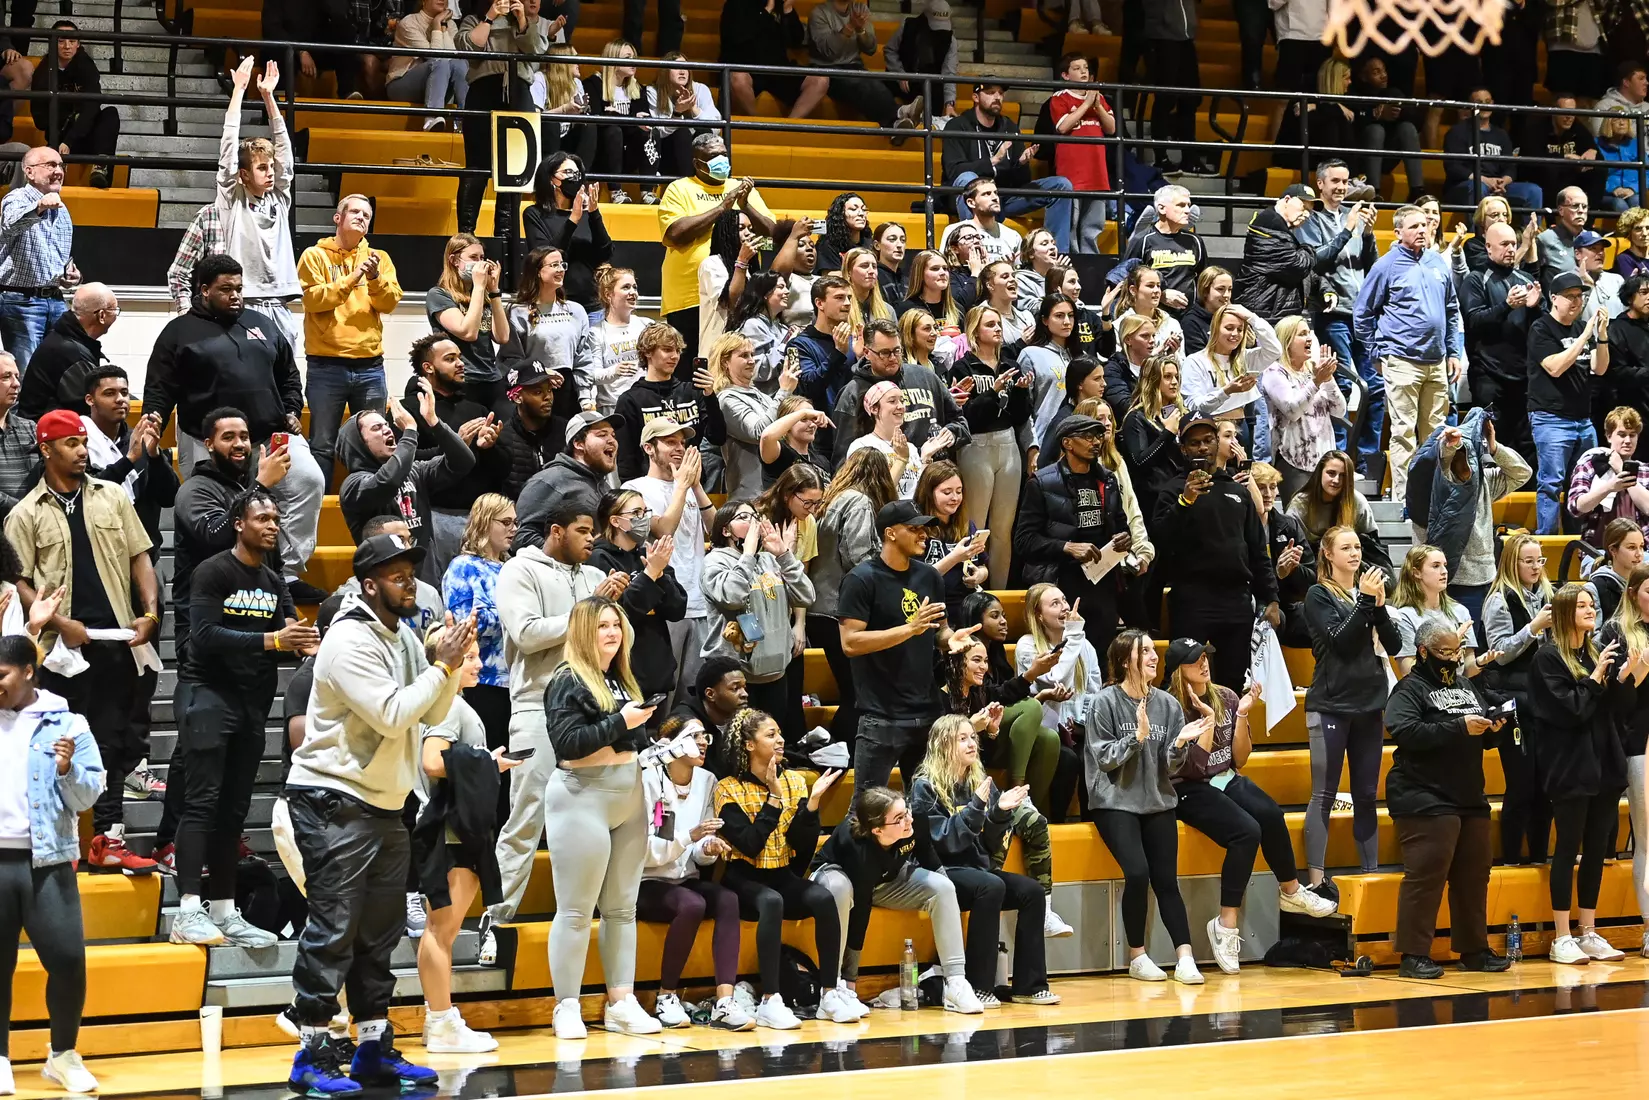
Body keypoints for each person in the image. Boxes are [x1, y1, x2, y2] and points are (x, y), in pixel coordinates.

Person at [280, 532, 474, 1095]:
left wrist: (448, 666)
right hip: (333, 799)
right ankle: (311, 1055)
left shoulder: (403, 635)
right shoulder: (348, 641)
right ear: (369, 584)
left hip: (386, 802)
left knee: (379, 933)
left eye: (411, 573)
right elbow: (393, 715)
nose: (408, 582)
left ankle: (372, 1048)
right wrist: (440, 669)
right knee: (334, 928)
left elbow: (434, 707)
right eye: (396, 575)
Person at [5, 409, 158, 873]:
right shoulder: (24, 513)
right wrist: (59, 622)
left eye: (82, 441)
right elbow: (19, 580)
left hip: (114, 639)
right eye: (70, 443)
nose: (81, 449)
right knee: (54, 745)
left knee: (110, 743)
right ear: (46, 449)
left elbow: (141, 559)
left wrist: (149, 612)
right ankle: (59, 841)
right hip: (56, 650)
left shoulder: (112, 495)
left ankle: (108, 839)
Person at [167, 486, 311, 949]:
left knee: (234, 810)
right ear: (238, 524)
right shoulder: (212, 571)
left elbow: (292, 634)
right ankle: (187, 910)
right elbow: (203, 636)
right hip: (207, 695)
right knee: (202, 803)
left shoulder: (273, 581)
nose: (272, 525)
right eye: (263, 518)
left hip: (252, 704)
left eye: (275, 518)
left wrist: (313, 643)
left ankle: (225, 911)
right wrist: (271, 642)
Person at [146, 254, 324, 599]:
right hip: (206, 440)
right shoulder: (178, 332)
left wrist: (291, 408)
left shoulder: (261, 323)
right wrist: (155, 416)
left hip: (269, 434)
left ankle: (284, 572)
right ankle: (222, 579)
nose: (236, 295)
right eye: (226, 289)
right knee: (217, 517)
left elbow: (288, 373)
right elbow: (160, 385)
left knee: (309, 479)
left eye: (240, 288)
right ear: (203, 290)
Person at [1163, 639, 1336, 972]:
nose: (1203, 664)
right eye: (1193, 660)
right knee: (1246, 831)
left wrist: (1241, 715)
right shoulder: (1170, 707)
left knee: (1271, 814)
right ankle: (1225, 924)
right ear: (1177, 671)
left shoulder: (1226, 696)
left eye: (1204, 657)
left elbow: (1239, 758)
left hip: (1224, 777)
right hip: (1187, 787)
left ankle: (1291, 890)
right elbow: (1193, 768)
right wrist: (1209, 722)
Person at [537, 595, 665, 1038]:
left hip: (628, 796)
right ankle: (566, 1005)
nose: (611, 633)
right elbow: (568, 742)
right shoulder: (566, 679)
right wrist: (622, 724)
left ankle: (621, 1002)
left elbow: (630, 735)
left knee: (622, 909)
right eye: (601, 626)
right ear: (582, 632)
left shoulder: (622, 678)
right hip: (581, 797)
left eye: (615, 625)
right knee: (575, 910)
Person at [488, 500, 610, 929]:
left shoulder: (596, 577)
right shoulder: (519, 571)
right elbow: (526, 634)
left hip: (590, 711)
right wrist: (588, 611)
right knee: (524, 821)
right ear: (556, 531)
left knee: (594, 822)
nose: (591, 537)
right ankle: (496, 921)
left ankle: (588, 921)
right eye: (582, 529)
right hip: (535, 706)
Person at [0, 632, 103, 1095]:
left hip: (48, 860)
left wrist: (67, 771)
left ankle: (62, 1056)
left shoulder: (69, 723)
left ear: (26, 671)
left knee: (67, 960)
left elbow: (88, 795)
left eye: (1, 674)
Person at [1384, 612, 1513, 978]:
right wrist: (1458, 726)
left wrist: (1495, 727)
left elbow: (1481, 736)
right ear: (1423, 651)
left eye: (1457, 652)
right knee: (1426, 873)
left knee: (1475, 873)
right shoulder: (1408, 690)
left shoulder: (1464, 686)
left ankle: (1474, 949)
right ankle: (1413, 955)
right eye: (1444, 652)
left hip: (1468, 793)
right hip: (1422, 793)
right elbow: (1406, 730)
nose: (1454, 659)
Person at [908, 726, 1061, 1004]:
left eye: (973, 738)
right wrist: (976, 806)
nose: (971, 744)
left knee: (1032, 891)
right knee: (989, 886)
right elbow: (943, 842)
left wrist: (1000, 813)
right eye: (962, 738)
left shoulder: (978, 780)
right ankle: (980, 986)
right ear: (943, 745)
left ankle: (1028, 986)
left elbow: (990, 844)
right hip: (940, 872)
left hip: (975, 868)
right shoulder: (925, 786)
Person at [411, 623, 510, 1054]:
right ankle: (439, 1021)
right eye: (469, 657)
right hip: (451, 831)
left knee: (442, 930)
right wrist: (484, 764)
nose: (479, 663)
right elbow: (434, 762)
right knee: (440, 931)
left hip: (456, 828)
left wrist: (488, 763)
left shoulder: (449, 702)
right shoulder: (447, 703)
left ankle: (440, 1021)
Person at [712, 708, 845, 1027]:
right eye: (770, 735)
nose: (781, 739)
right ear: (748, 745)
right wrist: (773, 798)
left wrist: (812, 807)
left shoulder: (795, 781)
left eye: (780, 733)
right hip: (742, 878)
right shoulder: (727, 788)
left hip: (781, 873)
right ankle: (770, 1000)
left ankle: (829, 994)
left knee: (823, 898)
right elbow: (749, 844)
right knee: (771, 901)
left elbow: (800, 844)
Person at [1085, 629, 1203, 983]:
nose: (1154, 656)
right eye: (1146, 651)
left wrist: (1181, 744)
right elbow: (1103, 758)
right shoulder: (1104, 702)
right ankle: (1137, 956)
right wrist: (1135, 739)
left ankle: (1185, 957)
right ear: (1126, 661)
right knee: (1137, 873)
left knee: (1167, 879)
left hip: (1157, 800)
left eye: (1154, 650)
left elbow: (1171, 767)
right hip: (1114, 801)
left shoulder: (1167, 705)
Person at [809, 783, 982, 1014]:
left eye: (907, 812)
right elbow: (861, 907)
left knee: (943, 888)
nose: (908, 820)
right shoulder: (857, 847)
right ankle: (836, 987)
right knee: (840, 888)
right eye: (899, 818)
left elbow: (927, 853)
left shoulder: (913, 819)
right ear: (877, 830)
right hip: (839, 875)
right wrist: (852, 978)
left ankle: (956, 983)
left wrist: (948, 891)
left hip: (886, 878)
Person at [1529, 583, 1629, 966]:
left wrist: (1621, 677)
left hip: (1603, 762)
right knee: (1568, 848)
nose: (1591, 610)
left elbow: (1611, 710)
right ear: (1565, 611)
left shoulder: (1592, 651)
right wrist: (1596, 677)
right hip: (1569, 765)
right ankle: (1562, 936)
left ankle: (1588, 931)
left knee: (1596, 851)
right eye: (1583, 605)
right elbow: (1570, 710)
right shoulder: (1548, 659)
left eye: (1593, 604)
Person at [637, 715, 753, 1030]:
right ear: (671, 745)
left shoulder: (706, 781)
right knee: (692, 904)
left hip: (683, 878)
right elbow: (648, 853)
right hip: (645, 882)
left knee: (727, 899)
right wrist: (691, 835)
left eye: (705, 736)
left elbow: (697, 857)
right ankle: (665, 997)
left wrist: (709, 847)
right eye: (694, 735)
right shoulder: (649, 781)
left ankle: (725, 1003)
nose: (703, 741)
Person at [1302, 524, 1398, 888]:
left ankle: (1369, 875)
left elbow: (1393, 642)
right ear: (1328, 554)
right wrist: (1365, 603)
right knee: (1324, 793)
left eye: (1358, 546)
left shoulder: (1367, 595)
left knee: (1367, 795)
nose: (1356, 553)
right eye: (1346, 547)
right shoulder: (1318, 594)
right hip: (1330, 704)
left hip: (1370, 704)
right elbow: (1341, 642)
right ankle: (1315, 880)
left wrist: (1379, 606)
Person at [840, 500, 960, 789]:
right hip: (882, 716)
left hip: (928, 712)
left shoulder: (929, 576)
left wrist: (951, 639)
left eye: (925, 529)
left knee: (930, 806)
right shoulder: (861, 579)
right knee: (866, 810)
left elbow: (939, 632)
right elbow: (850, 643)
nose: (924, 535)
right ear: (891, 533)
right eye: (914, 529)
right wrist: (910, 628)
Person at [1152, 416, 1278, 690]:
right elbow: (1161, 539)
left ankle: (1229, 733)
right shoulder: (1172, 490)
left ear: (1217, 444)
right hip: (1192, 597)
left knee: (1233, 680)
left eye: (1208, 441)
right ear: (1183, 449)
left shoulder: (1237, 491)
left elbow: (1257, 548)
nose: (1202, 448)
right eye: (1194, 443)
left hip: (1236, 599)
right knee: (1181, 679)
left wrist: (1270, 597)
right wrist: (1185, 501)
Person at [1352, 206, 1463, 504]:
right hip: (1401, 359)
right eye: (1414, 226)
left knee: (1436, 435)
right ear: (1398, 232)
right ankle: (1404, 499)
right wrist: (1376, 352)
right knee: (1402, 433)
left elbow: (1452, 310)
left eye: (1425, 225)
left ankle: (1433, 496)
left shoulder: (1438, 264)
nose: (1422, 230)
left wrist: (1454, 351)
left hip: (1437, 361)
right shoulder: (1385, 266)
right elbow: (1362, 313)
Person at [298, 195, 403, 479]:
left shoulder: (379, 259)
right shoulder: (314, 255)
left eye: (366, 215)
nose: (361, 217)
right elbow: (314, 300)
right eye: (354, 212)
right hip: (325, 365)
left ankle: (374, 506)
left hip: (370, 366)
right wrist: (354, 276)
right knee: (322, 444)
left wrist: (374, 279)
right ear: (338, 218)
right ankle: (318, 511)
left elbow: (389, 302)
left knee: (375, 443)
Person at [1014, 413, 1132, 653]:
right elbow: (1024, 541)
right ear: (1067, 443)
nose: (1096, 442)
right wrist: (1067, 547)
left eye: (1098, 436)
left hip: (1103, 582)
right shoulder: (1041, 482)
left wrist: (1124, 538)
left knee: (1100, 658)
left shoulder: (1107, 480)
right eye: (1087, 437)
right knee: (1066, 658)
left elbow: (1121, 524)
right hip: (1062, 582)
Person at [337, 389, 476, 587]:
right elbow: (387, 481)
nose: (387, 430)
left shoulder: (414, 471)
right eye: (376, 428)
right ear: (359, 444)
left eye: (387, 425)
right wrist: (410, 432)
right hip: (385, 582)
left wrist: (435, 423)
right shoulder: (354, 485)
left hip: (426, 579)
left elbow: (463, 462)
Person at [700, 500, 814, 737]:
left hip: (776, 673)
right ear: (725, 530)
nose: (753, 521)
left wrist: (784, 555)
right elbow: (732, 596)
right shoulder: (715, 561)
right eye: (743, 517)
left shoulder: (769, 560)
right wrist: (749, 554)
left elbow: (806, 595)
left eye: (755, 516)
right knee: (741, 747)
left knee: (769, 744)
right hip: (737, 678)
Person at [658, 134, 776, 358]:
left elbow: (771, 232)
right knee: (689, 363)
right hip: (688, 296)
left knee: (733, 358)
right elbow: (674, 234)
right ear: (697, 163)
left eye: (723, 154)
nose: (721, 160)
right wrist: (723, 207)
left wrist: (745, 206)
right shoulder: (679, 189)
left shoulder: (741, 188)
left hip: (738, 293)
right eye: (713, 156)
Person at [810, 449, 895, 752]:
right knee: (858, 694)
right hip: (839, 610)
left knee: (854, 691)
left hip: (818, 607)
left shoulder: (832, 499)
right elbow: (858, 557)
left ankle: (836, 750)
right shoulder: (859, 502)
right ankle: (840, 753)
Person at [1297, 162, 1380, 471]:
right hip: (1334, 317)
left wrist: (1368, 234)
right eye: (1335, 181)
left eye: (1346, 181)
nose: (1342, 187)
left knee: (1376, 388)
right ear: (1320, 185)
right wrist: (1348, 230)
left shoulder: (1357, 220)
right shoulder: (1313, 222)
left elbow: (1371, 266)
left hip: (1364, 316)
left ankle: (1368, 462)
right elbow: (1318, 262)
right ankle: (1339, 458)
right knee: (1342, 388)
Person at [1480, 533, 1554, 866]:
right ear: (1512, 562)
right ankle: (1510, 861)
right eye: (1529, 561)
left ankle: (1539, 859)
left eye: (1540, 560)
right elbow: (1500, 654)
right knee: (1521, 788)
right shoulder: (1499, 599)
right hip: (1514, 701)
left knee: (1545, 790)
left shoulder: (1548, 594)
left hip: (1546, 702)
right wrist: (1534, 628)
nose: (1536, 566)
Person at [215, 58, 298, 353]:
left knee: (284, 379)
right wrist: (239, 90)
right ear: (245, 174)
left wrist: (268, 97)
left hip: (279, 302)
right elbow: (227, 153)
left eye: (270, 167)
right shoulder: (232, 198)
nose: (271, 172)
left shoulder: (279, 197)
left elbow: (285, 154)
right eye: (262, 168)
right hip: (245, 302)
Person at [939, 82, 1074, 255]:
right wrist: (992, 162)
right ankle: (975, 250)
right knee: (967, 178)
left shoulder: (1009, 127)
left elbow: (1022, 181)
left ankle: (1057, 257)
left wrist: (1021, 164)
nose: (997, 97)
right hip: (971, 197)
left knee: (1061, 185)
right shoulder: (958, 125)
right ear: (975, 97)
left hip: (1004, 196)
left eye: (1000, 93)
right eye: (990, 92)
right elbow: (954, 171)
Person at [440, 493, 515, 784]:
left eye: (515, 522)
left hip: (514, 681)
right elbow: (464, 627)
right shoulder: (463, 567)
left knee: (510, 769)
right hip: (480, 681)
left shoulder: (513, 567)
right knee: (487, 770)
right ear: (484, 523)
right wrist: (512, 615)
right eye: (505, 522)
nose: (513, 529)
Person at [1528, 271, 1610, 534]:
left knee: (1584, 484)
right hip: (1551, 418)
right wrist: (1585, 336)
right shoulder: (1541, 328)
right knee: (1552, 484)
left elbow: (1600, 368)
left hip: (1583, 420)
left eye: (1580, 297)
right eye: (1570, 296)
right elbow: (1555, 367)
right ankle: (1546, 544)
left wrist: (1602, 335)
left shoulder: (1581, 328)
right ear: (1554, 298)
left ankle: (1580, 544)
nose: (1576, 302)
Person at [454, 0, 547, 233]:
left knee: (514, 168)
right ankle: (466, 234)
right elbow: (468, 50)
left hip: (519, 94)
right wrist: (490, 16)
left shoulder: (529, 23)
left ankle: (505, 235)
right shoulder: (474, 19)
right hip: (483, 92)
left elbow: (536, 51)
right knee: (477, 165)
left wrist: (523, 19)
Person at [590, 488, 687, 700]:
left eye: (646, 511)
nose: (644, 519)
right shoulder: (599, 558)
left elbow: (678, 609)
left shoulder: (648, 554)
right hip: (622, 673)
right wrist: (650, 573)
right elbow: (623, 614)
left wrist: (659, 575)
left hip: (657, 671)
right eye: (636, 513)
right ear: (615, 521)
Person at [1462, 222, 1543, 461]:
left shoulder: (1525, 277)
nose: (1510, 249)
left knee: (1527, 443)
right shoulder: (1476, 280)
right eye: (1504, 244)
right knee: (1492, 442)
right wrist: (1506, 306)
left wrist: (1537, 306)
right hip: (1489, 374)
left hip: (1523, 376)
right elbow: (1474, 321)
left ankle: (1526, 496)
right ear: (1488, 247)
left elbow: (1542, 326)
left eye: (1514, 244)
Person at [1602, 563, 1649, 956]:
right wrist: (1642, 666)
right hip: (1640, 743)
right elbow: (1619, 701)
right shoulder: (1617, 632)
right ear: (1633, 592)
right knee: (1647, 841)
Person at [614, 322, 726, 482]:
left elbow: (718, 437)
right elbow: (627, 460)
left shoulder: (693, 392)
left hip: (693, 484)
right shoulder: (630, 400)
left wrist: (709, 396)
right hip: (652, 486)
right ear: (647, 352)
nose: (674, 356)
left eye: (678, 350)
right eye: (667, 350)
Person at [0, 145, 75, 370]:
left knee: (59, 372)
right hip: (21, 302)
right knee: (25, 374)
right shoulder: (16, 198)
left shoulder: (62, 209)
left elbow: (58, 257)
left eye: (61, 165)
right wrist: (39, 207)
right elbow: (11, 224)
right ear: (30, 172)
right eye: (50, 165)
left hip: (56, 299)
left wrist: (72, 275)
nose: (59, 171)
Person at [512, 409, 623, 554]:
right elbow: (522, 537)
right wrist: (568, 559)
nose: (611, 440)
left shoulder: (604, 486)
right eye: (602, 434)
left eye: (613, 435)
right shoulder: (550, 480)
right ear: (578, 444)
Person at [1259, 316, 1344, 501]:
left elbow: (1340, 410)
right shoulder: (1274, 372)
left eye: (1309, 333)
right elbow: (1292, 410)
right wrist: (1317, 382)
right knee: (1299, 521)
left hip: (1324, 460)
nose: (1309, 339)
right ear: (1287, 341)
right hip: (1294, 459)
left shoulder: (1314, 369)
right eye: (1302, 334)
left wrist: (1328, 379)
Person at [427, 236, 510, 409]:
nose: (480, 264)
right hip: (464, 380)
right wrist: (480, 287)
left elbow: (502, 337)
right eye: (473, 258)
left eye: (482, 258)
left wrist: (493, 291)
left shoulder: (482, 294)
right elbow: (468, 333)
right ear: (454, 260)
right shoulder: (439, 295)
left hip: (491, 377)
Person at [31, 22, 118, 188]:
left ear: (78, 44)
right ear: (52, 42)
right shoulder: (43, 73)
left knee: (110, 114)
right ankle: (58, 165)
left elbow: (92, 107)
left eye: (72, 41)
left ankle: (100, 168)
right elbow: (40, 120)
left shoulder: (86, 66)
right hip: (59, 136)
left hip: (85, 134)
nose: (67, 46)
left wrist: (70, 140)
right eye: (61, 41)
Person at [523, 156, 611, 315]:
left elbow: (605, 252)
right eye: (567, 172)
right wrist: (573, 219)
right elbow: (544, 256)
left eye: (577, 174)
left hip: (591, 306)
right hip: (554, 305)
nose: (574, 178)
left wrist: (594, 212)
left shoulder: (587, 214)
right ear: (551, 178)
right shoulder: (534, 214)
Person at [18, 283, 116, 425]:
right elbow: (92, 406)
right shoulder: (71, 352)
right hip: (48, 434)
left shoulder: (65, 337)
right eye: (114, 310)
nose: (116, 315)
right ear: (102, 315)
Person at [1046, 54, 1114, 253]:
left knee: (1093, 225)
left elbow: (1111, 128)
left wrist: (1098, 105)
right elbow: (1062, 126)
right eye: (1077, 68)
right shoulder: (1060, 98)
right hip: (1072, 174)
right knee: (1072, 223)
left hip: (1097, 173)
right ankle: (1073, 261)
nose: (1083, 71)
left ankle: (1091, 262)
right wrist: (1086, 105)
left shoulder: (1099, 98)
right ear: (1065, 75)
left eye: (1085, 67)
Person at [719, 0, 827, 118]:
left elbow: (797, 41)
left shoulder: (780, 5)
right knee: (738, 78)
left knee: (820, 80)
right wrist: (767, 11)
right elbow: (737, 38)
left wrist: (788, 9)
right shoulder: (735, 4)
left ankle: (789, 127)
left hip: (777, 69)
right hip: (747, 68)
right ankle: (756, 125)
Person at [1441, 87, 1542, 209]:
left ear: (1493, 104)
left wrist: (1503, 182)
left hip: (1498, 186)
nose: (1484, 106)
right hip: (1466, 186)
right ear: (1470, 106)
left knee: (1533, 191)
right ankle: (1478, 228)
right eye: (1479, 102)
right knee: (1478, 187)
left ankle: (1529, 227)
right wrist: (1484, 180)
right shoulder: (1457, 132)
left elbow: (1510, 166)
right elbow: (1454, 167)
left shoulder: (1501, 134)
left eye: (1487, 102)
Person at [1236, 185, 1318, 325]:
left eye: (1309, 211)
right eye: (1303, 207)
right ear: (1286, 200)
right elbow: (1297, 266)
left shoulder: (1282, 230)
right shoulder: (1268, 224)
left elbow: (1301, 270)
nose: (1307, 214)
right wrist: (1308, 249)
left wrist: (1325, 288)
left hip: (1273, 314)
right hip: (1263, 316)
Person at [1569, 405, 1649, 546]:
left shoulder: (1644, 470)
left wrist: (1620, 469)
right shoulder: (1590, 464)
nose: (1628, 441)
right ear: (1609, 436)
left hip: (1642, 552)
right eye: (1622, 434)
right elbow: (1576, 507)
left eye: (1632, 435)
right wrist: (1609, 487)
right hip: (1597, 550)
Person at [1349, 56, 1424, 202]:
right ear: (1363, 77)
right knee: (1376, 130)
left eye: (1384, 71)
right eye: (1376, 72)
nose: (1383, 75)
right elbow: (1352, 121)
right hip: (1361, 155)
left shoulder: (1393, 92)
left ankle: (1417, 191)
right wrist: (1375, 115)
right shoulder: (1354, 93)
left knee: (1407, 127)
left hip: (1387, 155)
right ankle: (1373, 191)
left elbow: (1418, 120)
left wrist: (1399, 112)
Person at [385, 0, 468, 129]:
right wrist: (436, 26)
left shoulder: (450, 24)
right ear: (423, 1)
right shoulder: (409, 22)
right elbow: (434, 56)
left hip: (438, 83)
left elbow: (453, 57)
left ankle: (467, 121)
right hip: (402, 84)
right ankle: (431, 119)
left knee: (460, 64)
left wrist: (443, 25)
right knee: (440, 62)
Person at [643, 57, 722, 191]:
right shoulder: (653, 91)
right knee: (682, 132)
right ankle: (689, 189)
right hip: (666, 153)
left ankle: (711, 187)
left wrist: (693, 108)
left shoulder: (700, 89)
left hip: (695, 153)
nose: (682, 72)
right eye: (676, 67)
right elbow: (657, 132)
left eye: (685, 67)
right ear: (665, 72)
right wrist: (677, 113)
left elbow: (715, 128)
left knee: (705, 134)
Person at [580, 266, 649, 414]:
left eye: (634, 287)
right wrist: (615, 371)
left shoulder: (646, 325)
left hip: (644, 403)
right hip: (613, 407)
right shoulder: (596, 332)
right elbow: (592, 375)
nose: (633, 293)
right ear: (608, 294)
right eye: (626, 287)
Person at [883, 0, 960, 125]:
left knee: (936, 93)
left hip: (929, 86)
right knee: (883, 88)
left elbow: (949, 73)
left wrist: (949, 103)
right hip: (904, 80)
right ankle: (895, 123)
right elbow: (889, 50)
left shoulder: (951, 41)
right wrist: (900, 74)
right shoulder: (907, 26)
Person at [1287, 448, 1381, 548]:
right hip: (1309, 558)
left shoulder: (1357, 501)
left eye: (1343, 475)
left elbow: (1371, 543)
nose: (1336, 480)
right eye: (1331, 473)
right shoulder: (1301, 503)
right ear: (1320, 473)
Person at [673, 656, 749, 778]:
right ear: (710, 694)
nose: (745, 694)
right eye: (735, 688)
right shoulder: (685, 724)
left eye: (744, 687)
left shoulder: (743, 718)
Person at [1584, 517, 1643, 623]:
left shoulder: (1645, 583)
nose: (1639, 554)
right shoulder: (1595, 588)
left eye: (1642, 546)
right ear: (1613, 550)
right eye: (1631, 547)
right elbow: (1592, 636)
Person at [1538, 186, 1589, 291]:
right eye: (1575, 206)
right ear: (1561, 210)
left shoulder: (1592, 239)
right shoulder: (1545, 239)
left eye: (1584, 207)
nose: (1581, 211)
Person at [0, 354, 33, 517]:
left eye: (17, 376)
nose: (16, 384)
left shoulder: (30, 428)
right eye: (6, 377)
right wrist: (25, 511)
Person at [1592, 59, 1649, 132]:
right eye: (1641, 79)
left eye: (1646, 79)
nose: (1646, 83)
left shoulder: (1647, 107)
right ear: (1626, 82)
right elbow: (1600, 139)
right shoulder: (1605, 107)